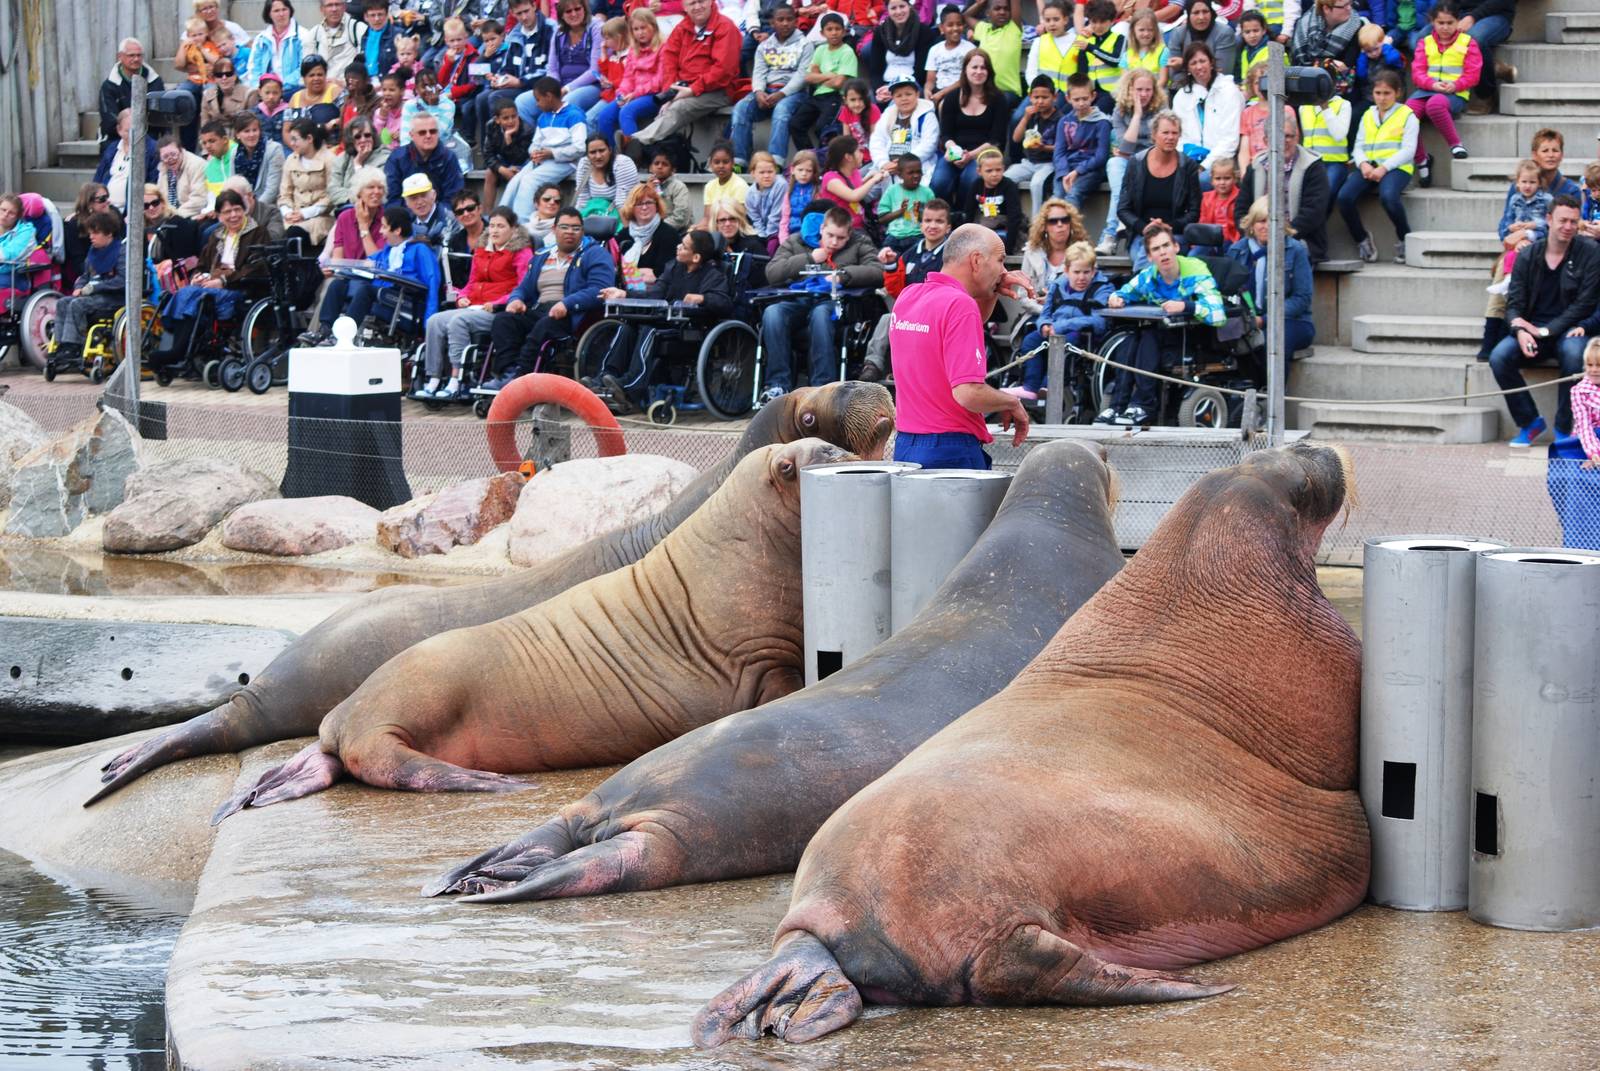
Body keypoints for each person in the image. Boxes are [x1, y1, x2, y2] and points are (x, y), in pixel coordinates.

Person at [887, 222, 1031, 468]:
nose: (1004, 270)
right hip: (949, 448)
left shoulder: (909, 295)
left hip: (906, 446)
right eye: (1000, 261)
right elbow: (968, 393)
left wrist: (992, 290)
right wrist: (1011, 402)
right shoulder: (959, 306)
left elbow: (960, 326)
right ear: (976, 261)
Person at [1488, 196, 1600, 448]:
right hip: (1530, 328)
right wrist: (1519, 330)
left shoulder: (1591, 252)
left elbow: (1584, 304)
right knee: (1499, 356)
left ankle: (1564, 428)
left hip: (1570, 328)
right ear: (1549, 219)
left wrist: (1545, 331)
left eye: (1574, 221)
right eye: (1563, 220)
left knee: (1574, 354)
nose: (1568, 226)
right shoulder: (1528, 255)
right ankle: (1529, 422)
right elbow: (1514, 302)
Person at [1098, 221, 1225, 426]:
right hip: (1161, 335)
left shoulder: (1196, 270)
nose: (1163, 253)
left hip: (1192, 337)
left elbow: (1218, 313)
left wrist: (1185, 306)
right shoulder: (1149, 276)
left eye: (1166, 246)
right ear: (1150, 257)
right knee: (1132, 338)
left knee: (1148, 337)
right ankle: (1117, 405)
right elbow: (1123, 292)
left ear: (1176, 247)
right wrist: (1116, 299)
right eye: (1156, 249)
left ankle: (1145, 406)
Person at [593, 229, 735, 407]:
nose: (678, 247)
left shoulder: (713, 275)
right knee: (627, 327)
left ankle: (630, 385)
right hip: (665, 321)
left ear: (696, 257)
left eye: (683, 246)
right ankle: (605, 377)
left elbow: (724, 303)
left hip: (689, 330)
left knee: (649, 331)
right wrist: (623, 293)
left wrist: (703, 298)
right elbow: (655, 293)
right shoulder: (674, 267)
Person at [760, 204, 884, 401]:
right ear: (821, 229)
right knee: (772, 312)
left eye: (841, 238)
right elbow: (772, 273)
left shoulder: (859, 242)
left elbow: (878, 272)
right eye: (830, 235)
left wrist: (843, 276)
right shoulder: (797, 240)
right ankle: (777, 385)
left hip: (835, 303)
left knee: (820, 315)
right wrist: (809, 258)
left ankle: (823, 387)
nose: (834, 242)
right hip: (798, 300)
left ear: (849, 233)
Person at [483, 207, 615, 387]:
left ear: (582, 231)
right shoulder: (542, 255)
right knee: (504, 320)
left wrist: (567, 303)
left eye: (576, 228)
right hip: (540, 308)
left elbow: (600, 290)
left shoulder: (595, 254)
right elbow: (523, 288)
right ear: (554, 230)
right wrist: (516, 299)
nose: (570, 232)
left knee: (544, 325)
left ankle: (522, 377)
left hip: (573, 315)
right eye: (564, 227)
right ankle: (508, 373)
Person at [419, 206, 535, 398]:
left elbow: (523, 287)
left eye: (501, 226)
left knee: (458, 322)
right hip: (474, 306)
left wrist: (499, 302)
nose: (495, 230)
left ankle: (457, 379)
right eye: (492, 226)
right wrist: (461, 296)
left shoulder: (522, 253)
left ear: (513, 229)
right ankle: (433, 378)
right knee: (435, 321)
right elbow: (472, 283)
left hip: (496, 310)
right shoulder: (481, 250)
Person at [1005, 239, 1112, 404]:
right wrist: (1044, 326)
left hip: (1082, 335)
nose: (1081, 277)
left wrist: (1061, 326)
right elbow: (1045, 313)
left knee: (1067, 340)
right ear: (1067, 270)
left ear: (1093, 271)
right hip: (1054, 329)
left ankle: (1048, 387)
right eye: (1077, 272)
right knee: (1030, 340)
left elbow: (1099, 321)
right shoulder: (1057, 286)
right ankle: (1031, 388)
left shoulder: (1102, 288)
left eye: (1086, 272)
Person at [633, 0, 742, 149]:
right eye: (692, 3)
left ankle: (637, 143)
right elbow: (669, 60)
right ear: (684, 7)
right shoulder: (682, 27)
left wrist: (692, 89)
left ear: (711, 1)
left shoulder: (725, 27)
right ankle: (651, 153)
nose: (697, 7)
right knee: (665, 108)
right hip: (685, 87)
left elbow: (723, 70)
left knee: (679, 108)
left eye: (701, 1)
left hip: (717, 90)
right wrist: (670, 91)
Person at [1228, 196, 1315, 382]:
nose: (1266, 226)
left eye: (1271, 221)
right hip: (1248, 320)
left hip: (1293, 320)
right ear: (1251, 224)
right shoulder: (1237, 250)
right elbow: (1228, 292)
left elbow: (1302, 298)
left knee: (1273, 340)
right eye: (1261, 221)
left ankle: (1273, 401)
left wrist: (1266, 319)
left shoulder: (1296, 250)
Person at [1336, 68, 1416, 264]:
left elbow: (1408, 150)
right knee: (1344, 197)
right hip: (1369, 168)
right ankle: (1362, 238)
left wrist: (1384, 168)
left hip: (1396, 168)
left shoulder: (1407, 115)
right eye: (1378, 93)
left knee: (1388, 196)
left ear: (1397, 93)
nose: (1382, 98)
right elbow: (1359, 145)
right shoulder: (1368, 114)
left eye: (1387, 93)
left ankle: (1404, 237)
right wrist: (1362, 164)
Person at [161, 190, 269, 331]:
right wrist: (197, 277)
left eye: (237, 209)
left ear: (245, 210)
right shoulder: (216, 235)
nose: (233, 215)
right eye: (227, 212)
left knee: (191, 294)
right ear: (219, 216)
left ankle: (179, 341)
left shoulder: (258, 232)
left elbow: (256, 267)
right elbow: (202, 264)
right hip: (212, 284)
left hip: (240, 288)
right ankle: (177, 337)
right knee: (186, 291)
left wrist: (223, 281)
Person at [1234, 114, 1332, 263]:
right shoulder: (1255, 167)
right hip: (1258, 237)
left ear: (1297, 137)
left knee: (1285, 255)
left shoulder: (1313, 166)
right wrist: (1257, 234)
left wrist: (1281, 235)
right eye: (1277, 137)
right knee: (1235, 252)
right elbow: (1241, 210)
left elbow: (1313, 213)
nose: (1283, 141)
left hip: (1300, 238)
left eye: (1288, 136)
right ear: (1266, 141)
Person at [1408, 0, 1481, 187]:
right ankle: (1422, 160)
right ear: (1433, 22)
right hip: (1427, 90)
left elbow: (1473, 74)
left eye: (1450, 23)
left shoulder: (1468, 42)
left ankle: (1455, 145)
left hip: (1454, 94)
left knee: (1435, 105)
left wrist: (1456, 85)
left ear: (1458, 22)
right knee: (1406, 113)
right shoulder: (1425, 42)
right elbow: (1417, 73)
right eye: (1441, 23)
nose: (1445, 27)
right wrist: (1432, 84)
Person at [1117, 109, 1201, 270]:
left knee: (1155, 255)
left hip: (1175, 233)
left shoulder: (1188, 166)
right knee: (1150, 252)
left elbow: (1194, 212)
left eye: (1174, 133)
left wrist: (1169, 226)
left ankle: (1140, 289)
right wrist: (1144, 228)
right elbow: (1123, 209)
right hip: (1141, 233)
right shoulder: (1136, 163)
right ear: (1154, 135)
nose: (1170, 137)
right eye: (1165, 133)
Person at [1097, 67, 1165, 254]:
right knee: (1115, 165)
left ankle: (1111, 233)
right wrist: (1136, 114)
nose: (1143, 94)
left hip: (1151, 161)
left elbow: (1160, 145)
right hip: (1127, 162)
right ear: (1130, 89)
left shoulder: (1161, 110)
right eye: (1139, 90)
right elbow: (1125, 147)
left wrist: (1130, 153)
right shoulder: (1120, 111)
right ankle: (1110, 236)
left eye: (1148, 90)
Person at [49, 213, 125, 369]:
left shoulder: (121, 252)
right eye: (90, 233)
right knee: (63, 302)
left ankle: (73, 346)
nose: (91, 237)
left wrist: (95, 287)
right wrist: (78, 287)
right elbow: (85, 276)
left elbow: (123, 281)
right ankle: (61, 345)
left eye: (95, 233)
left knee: (78, 305)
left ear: (109, 233)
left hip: (114, 298)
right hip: (93, 295)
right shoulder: (93, 252)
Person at [934, 48, 1009, 200]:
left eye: (983, 67)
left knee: (970, 180)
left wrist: (970, 156)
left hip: (983, 153)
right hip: (955, 152)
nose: (978, 71)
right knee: (939, 182)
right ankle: (944, 218)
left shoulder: (998, 99)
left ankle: (963, 217)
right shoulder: (952, 97)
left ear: (989, 72)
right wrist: (952, 149)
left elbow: (996, 139)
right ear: (965, 70)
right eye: (974, 67)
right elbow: (946, 133)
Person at [590, 8, 665, 149]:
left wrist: (635, 94)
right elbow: (628, 78)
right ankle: (611, 157)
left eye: (643, 27)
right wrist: (621, 94)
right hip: (633, 95)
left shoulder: (662, 48)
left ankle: (633, 156)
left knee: (627, 112)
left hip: (653, 95)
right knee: (604, 115)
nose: (640, 32)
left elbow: (659, 80)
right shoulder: (633, 50)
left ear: (653, 26)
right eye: (636, 29)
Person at [1171, 42, 1242, 189]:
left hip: (1221, 161)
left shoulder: (1229, 92)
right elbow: (1178, 136)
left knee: (1198, 182)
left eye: (1202, 61)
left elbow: (1230, 140)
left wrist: (1203, 166)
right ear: (1188, 68)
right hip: (1190, 158)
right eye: (1193, 63)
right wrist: (1185, 162)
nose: (1199, 67)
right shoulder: (1181, 95)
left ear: (1211, 63)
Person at [523, 0, 604, 125]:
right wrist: (553, 88)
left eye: (577, 9)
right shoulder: (559, 31)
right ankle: (536, 139)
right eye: (568, 11)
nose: (574, 14)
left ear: (585, 9)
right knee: (522, 103)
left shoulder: (596, 28)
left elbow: (595, 70)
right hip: (560, 85)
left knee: (565, 102)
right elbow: (552, 68)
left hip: (592, 86)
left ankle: (557, 142)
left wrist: (566, 89)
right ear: (561, 14)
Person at [384, 112, 467, 207]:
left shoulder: (449, 158)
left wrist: (432, 216)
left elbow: (454, 198)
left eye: (433, 131)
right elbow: (392, 199)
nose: (428, 136)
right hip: (405, 218)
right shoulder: (397, 159)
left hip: (441, 217)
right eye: (422, 132)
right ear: (411, 135)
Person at [1005, 75, 1064, 207]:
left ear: (1054, 97)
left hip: (1049, 164)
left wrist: (1044, 147)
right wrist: (1025, 118)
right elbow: (1016, 138)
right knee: (1006, 179)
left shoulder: (1060, 119)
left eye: (1045, 97)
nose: (1040, 101)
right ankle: (1014, 217)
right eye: (1036, 97)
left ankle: (1037, 223)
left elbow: (1062, 147)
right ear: (1030, 97)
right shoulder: (1031, 115)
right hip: (1029, 162)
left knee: (1036, 184)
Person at [871, 75, 941, 180]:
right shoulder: (888, 114)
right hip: (888, 168)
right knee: (863, 186)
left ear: (917, 94)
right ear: (893, 98)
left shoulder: (926, 115)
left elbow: (929, 145)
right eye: (898, 96)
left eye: (908, 94)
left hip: (915, 166)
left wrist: (903, 162)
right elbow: (877, 140)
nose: (904, 99)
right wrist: (883, 162)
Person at [279, 118, 336, 246]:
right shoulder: (290, 160)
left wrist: (305, 213)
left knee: (294, 236)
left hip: (320, 218)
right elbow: (284, 194)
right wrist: (287, 213)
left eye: (295, 139)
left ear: (309, 139)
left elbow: (332, 195)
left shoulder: (329, 159)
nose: (291, 143)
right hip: (293, 217)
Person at [321, 166, 388, 274]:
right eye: (371, 187)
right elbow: (338, 258)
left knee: (356, 288)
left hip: (372, 278)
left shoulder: (386, 220)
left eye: (380, 188)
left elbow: (376, 261)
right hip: (346, 274)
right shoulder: (344, 217)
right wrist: (332, 269)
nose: (376, 191)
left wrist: (363, 226)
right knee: (334, 286)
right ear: (359, 192)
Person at [99, 39, 166, 146]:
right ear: (120, 57)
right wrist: (128, 129)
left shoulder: (155, 81)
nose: (136, 59)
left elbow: (160, 116)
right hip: (117, 137)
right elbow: (109, 120)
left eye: (139, 55)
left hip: (149, 135)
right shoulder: (109, 86)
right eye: (131, 55)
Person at [617, 184, 682, 291]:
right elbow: (617, 274)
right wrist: (642, 274)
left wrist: (630, 274)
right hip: (623, 295)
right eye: (639, 204)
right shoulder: (623, 235)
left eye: (649, 202)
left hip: (659, 297)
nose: (644, 207)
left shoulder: (669, 234)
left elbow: (663, 275)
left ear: (657, 206)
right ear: (631, 208)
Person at [93, 110, 160, 215]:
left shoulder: (153, 149)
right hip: (104, 207)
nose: (134, 135)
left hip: (131, 212)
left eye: (138, 130)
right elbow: (97, 180)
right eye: (128, 131)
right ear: (119, 130)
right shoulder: (112, 148)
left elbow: (152, 184)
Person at [867, 0, 936, 102]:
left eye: (902, 6)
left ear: (909, 6)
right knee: (871, 100)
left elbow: (921, 72)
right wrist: (879, 90)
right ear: (887, 10)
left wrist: (895, 89)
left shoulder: (923, 32)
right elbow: (875, 70)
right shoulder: (880, 32)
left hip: (912, 85)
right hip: (885, 85)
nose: (898, 12)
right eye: (893, 8)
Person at [959, 149, 1022, 253]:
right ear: (979, 171)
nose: (994, 174)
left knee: (993, 244)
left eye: (998, 170)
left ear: (1003, 169)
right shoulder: (976, 185)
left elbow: (1014, 217)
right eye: (989, 171)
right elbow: (968, 212)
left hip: (1003, 229)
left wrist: (1009, 247)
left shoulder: (1009, 186)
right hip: (983, 226)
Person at [1164, 0, 1237, 88]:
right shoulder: (1178, 33)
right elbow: (1174, 75)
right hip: (1185, 87)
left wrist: (1184, 63)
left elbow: (1223, 72)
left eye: (1205, 11)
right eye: (1196, 13)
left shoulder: (1224, 33)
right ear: (1188, 15)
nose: (1201, 17)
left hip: (1217, 88)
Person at [877, 153, 935, 254]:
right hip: (894, 236)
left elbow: (933, 219)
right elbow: (881, 219)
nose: (916, 175)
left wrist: (918, 213)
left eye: (919, 172)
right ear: (900, 174)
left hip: (917, 236)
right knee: (887, 258)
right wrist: (900, 212)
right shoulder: (892, 190)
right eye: (910, 173)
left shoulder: (927, 193)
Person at [327, 116, 389, 210]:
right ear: (351, 140)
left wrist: (358, 164)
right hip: (344, 210)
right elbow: (332, 191)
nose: (363, 140)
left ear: (374, 136)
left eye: (367, 135)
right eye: (357, 137)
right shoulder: (341, 158)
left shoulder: (385, 158)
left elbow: (372, 194)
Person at [572, 135, 639, 218]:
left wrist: (624, 230)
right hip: (594, 214)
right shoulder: (584, 164)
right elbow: (582, 199)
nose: (598, 156)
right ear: (587, 155)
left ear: (610, 150)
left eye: (602, 150)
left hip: (621, 214)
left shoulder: (622, 163)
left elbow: (622, 202)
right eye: (593, 152)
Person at [249, 0, 307, 92]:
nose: (281, 14)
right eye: (276, 11)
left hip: (294, 89)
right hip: (266, 92)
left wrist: (281, 86)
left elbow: (304, 68)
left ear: (290, 11)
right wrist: (259, 87)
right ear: (269, 14)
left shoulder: (303, 36)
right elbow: (254, 69)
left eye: (284, 9)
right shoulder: (261, 39)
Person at [926, 4, 976, 106]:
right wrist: (927, 91)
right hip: (938, 91)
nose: (955, 28)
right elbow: (930, 80)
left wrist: (942, 93)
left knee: (944, 105)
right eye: (950, 25)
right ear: (941, 28)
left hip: (961, 91)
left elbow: (966, 79)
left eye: (959, 24)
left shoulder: (970, 49)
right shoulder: (935, 49)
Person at [301, 0, 364, 79]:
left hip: (349, 86)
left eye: (337, 4)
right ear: (322, 9)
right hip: (323, 88)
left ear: (344, 7)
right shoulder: (313, 34)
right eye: (329, 5)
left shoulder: (358, 29)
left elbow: (363, 65)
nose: (334, 9)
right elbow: (307, 69)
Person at [155, 138, 211, 220]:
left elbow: (199, 199)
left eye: (173, 154)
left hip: (192, 216)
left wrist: (174, 217)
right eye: (165, 157)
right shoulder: (163, 169)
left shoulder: (196, 165)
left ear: (181, 150)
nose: (170, 158)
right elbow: (160, 197)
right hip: (170, 216)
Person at [746, 153, 790, 250]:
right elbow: (755, 218)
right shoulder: (750, 192)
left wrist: (768, 237)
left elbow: (776, 215)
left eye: (770, 172)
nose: (766, 176)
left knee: (771, 247)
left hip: (778, 230)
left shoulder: (781, 185)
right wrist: (761, 236)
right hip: (761, 231)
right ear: (753, 173)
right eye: (762, 172)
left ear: (775, 171)